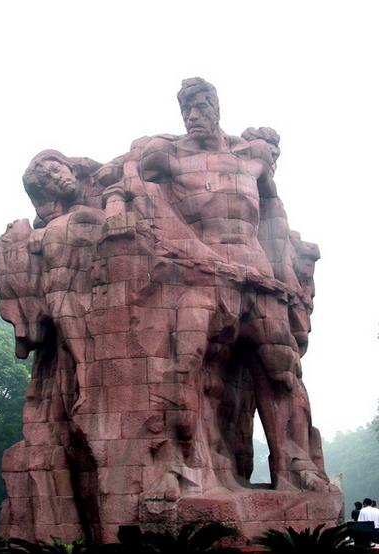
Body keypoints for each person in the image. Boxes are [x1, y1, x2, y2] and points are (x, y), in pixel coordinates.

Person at [138, 77, 330, 491]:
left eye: (201, 106)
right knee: (184, 360)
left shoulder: (251, 160)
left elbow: (273, 213)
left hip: (258, 277)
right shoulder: (168, 157)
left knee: (281, 372)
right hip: (204, 274)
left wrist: (285, 277)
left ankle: (295, 465)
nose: (193, 116)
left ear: (216, 107)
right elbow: (132, 178)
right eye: (186, 109)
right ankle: (180, 462)